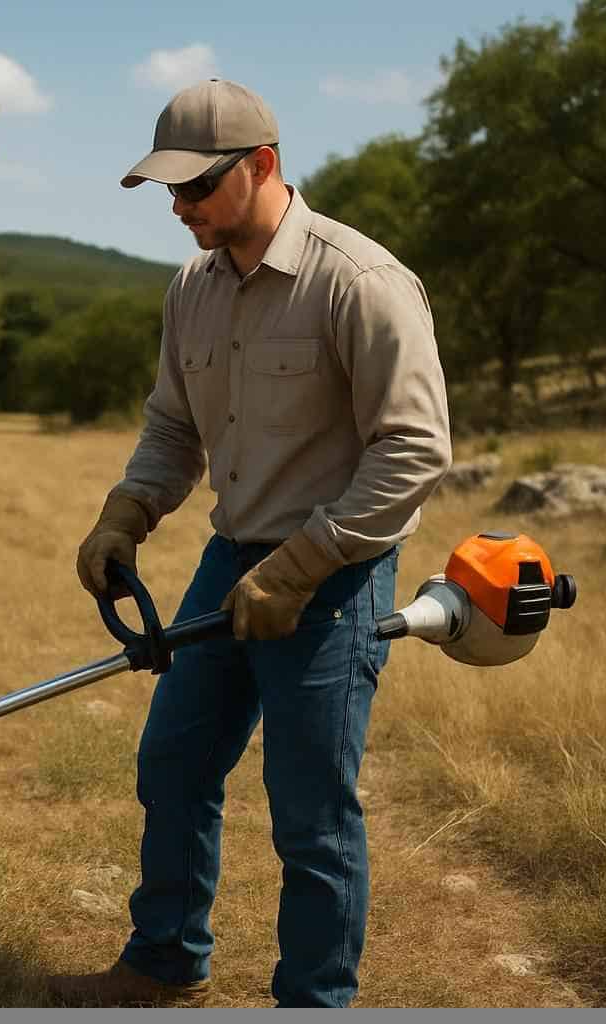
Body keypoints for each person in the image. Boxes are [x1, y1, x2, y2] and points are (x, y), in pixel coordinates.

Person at [49, 78, 452, 1008]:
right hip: (230, 560)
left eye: (195, 187)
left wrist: (303, 566)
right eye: (170, 191)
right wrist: (124, 514)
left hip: (335, 574)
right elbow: (172, 426)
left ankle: (313, 1002)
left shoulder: (361, 283)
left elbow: (414, 450)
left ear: (261, 165)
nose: (179, 209)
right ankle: (163, 964)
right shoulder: (191, 290)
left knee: (311, 810)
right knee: (174, 764)